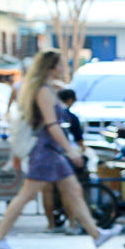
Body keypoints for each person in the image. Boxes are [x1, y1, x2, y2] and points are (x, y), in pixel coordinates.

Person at [0, 51, 122, 249]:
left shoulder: (47, 89)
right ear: (51, 68)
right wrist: (71, 150)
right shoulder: (43, 91)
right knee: (27, 195)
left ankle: (96, 234)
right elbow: (52, 125)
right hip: (46, 151)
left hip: (52, 151)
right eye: (60, 65)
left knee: (73, 191)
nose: (63, 68)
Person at [43, 88, 88, 233]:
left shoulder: (47, 114)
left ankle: (51, 225)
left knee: (47, 190)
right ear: (70, 100)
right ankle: (73, 224)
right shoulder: (70, 116)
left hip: (44, 155)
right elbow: (80, 143)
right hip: (63, 156)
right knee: (67, 191)